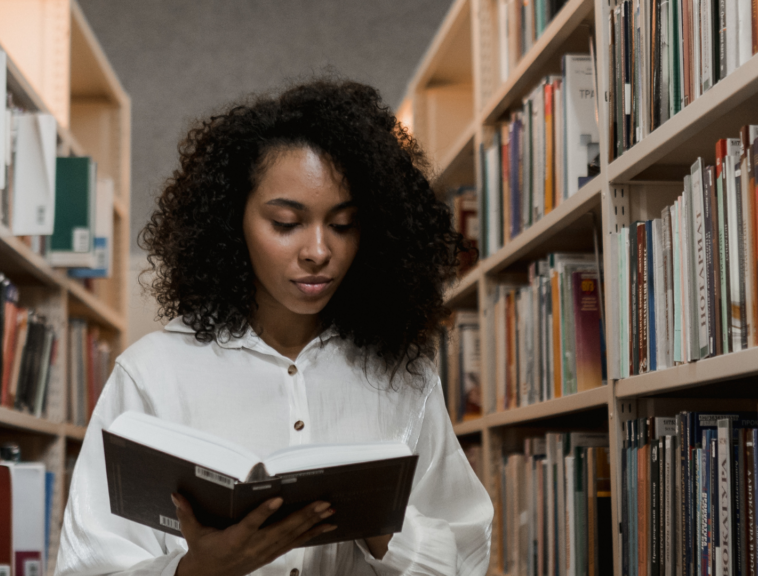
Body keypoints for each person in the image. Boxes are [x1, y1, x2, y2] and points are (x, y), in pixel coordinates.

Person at [56, 79, 494, 576]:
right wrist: (196, 571)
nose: (318, 251)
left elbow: (466, 554)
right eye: (286, 223)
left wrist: (381, 528)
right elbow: (86, 565)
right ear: (231, 221)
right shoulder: (151, 373)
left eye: (344, 224)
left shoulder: (404, 377)